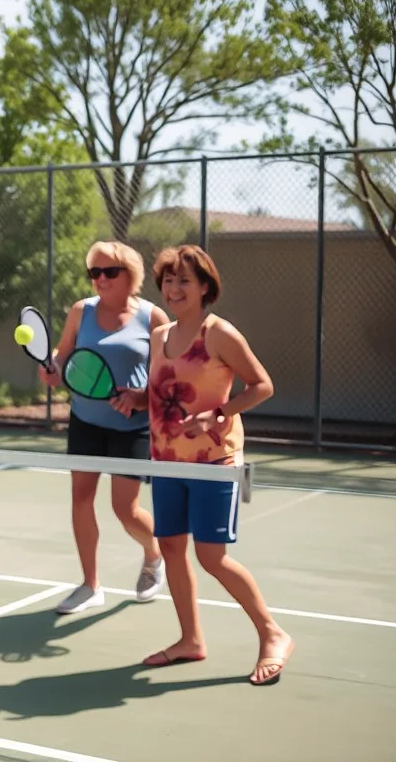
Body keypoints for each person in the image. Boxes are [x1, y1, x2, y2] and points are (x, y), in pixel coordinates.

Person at [122, 244, 294, 685]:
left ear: (204, 286)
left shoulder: (219, 333)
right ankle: (190, 640)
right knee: (174, 549)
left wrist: (219, 414)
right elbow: (163, 394)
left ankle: (273, 633)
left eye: (184, 280)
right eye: (168, 280)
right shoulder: (159, 336)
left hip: (213, 461)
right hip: (165, 460)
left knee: (211, 556)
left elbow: (262, 386)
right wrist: (136, 399)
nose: (174, 288)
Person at [39, 240, 169, 615]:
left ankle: (152, 553)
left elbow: (165, 378)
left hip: (134, 427)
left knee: (125, 509)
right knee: (81, 499)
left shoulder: (153, 318)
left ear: (131, 274)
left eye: (108, 271)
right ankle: (90, 584)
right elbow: (63, 355)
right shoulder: (82, 312)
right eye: (93, 272)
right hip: (86, 420)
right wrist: (51, 367)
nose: (99, 279)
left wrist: (141, 398)